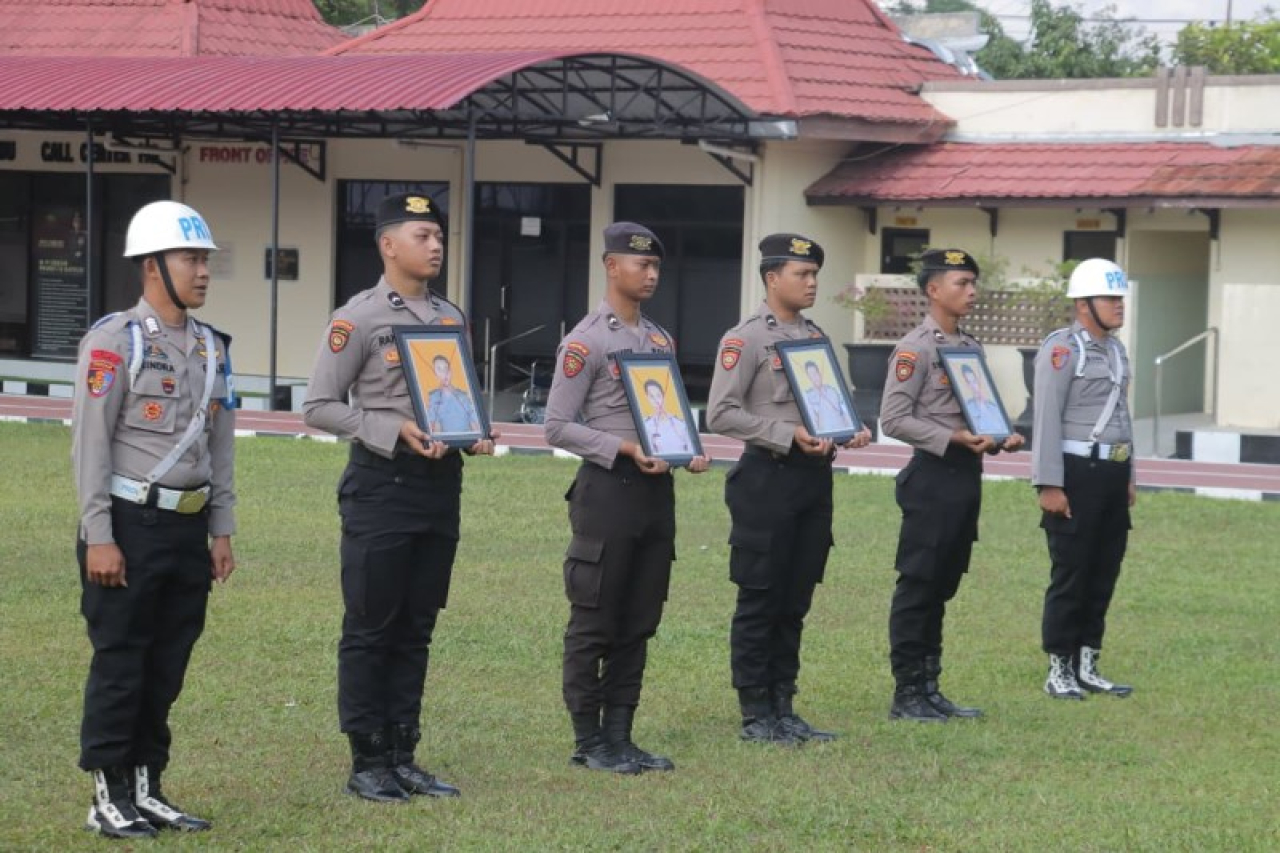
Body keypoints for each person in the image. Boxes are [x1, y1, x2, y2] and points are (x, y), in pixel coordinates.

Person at [303, 192, 495, 802]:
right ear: (388, 244)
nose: (435, 244)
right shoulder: (358, 318)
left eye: (438, 234)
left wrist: (473, 432)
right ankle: (366, 759)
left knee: (417, 626)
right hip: (382, 486)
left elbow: (453, 394)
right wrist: (390, 430)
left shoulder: (450, 317)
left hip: (440, 488)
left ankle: (403, 752)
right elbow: (319, 406)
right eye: (421, 234)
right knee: (371, 625)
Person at [71, 200, 236, 838]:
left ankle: (149, 786)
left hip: (185, 529)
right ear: (151, 266)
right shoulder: (115, 342)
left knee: (167, 665)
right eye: (191, 259)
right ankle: (107, 794)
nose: (202, 272)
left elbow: (219, 447)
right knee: (121, 662)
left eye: (204, 260)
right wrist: (99, 535)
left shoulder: (210, 348)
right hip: (128, 525)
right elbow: (90, 444)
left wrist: (220, 529)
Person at [545, 222, 710, 774]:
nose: (652, 274)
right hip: (607, 490)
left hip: (654, 492)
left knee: (639, 617)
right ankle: (588, 740)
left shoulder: (658, 341)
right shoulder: (586, 340)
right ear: (612, 267)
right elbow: (557, 426)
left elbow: (668, 414)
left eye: (657, 266)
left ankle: (621, 734)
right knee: (595, 618)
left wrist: (689, 448)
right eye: (642, 265)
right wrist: (618, 446)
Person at [708, 233, 872, 745]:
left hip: (811, 481)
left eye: (815, 273)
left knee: (795, 597)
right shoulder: (747, 338)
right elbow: (720, 413)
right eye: (802, 273)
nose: (812, 282)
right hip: (766, 479)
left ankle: (784, 703)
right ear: (772, 277)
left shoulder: (815, 336)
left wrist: (850, 429)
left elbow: (828, 403)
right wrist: (786, 435)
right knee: (761, 596)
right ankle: (756, 711)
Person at [880, 248, 1024, 723]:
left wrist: (999, 437)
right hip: (933, 476)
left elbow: (976, 410)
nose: (971, 292)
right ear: (933, 289)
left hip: (966, 475)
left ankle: (931, 686)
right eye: (961, 283)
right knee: (919, 584)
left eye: (973, 283)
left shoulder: (968, 346)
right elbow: (894, 419)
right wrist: (952, 437)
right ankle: (907, 692)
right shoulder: (915, 348)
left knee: (943, 584)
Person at [1031, 258, 1136, 701]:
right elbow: (1045, 420)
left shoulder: (1116, 351)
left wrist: (1130, 474)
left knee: (1103, 571)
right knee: (1071, 572)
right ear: (1084, 303)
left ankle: (1088, 663)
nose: (1119, 306)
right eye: (1110, 298)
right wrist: (1049, 484)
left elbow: (1123, 419)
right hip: (1077, 473)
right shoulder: (1062, 350)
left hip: (1112, 472)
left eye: (1120, 298)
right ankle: (1059, 667)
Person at [426, 355, 480, 434]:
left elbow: (474, 424)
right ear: (435, 374)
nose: (444, 373)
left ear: (451, 372)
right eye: (439, 369)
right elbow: (436, 430)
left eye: (446, 368)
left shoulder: (464, 396)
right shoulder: (433, 398)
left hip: (468, 441)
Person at [640, 378, 693, 456]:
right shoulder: (646, 426)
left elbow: (691, 451)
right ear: (648, 399)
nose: (657, 401)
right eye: (652, 397)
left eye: (658, 395)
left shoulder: (681, 424)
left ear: (663, 396)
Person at [802, 360, 853, 433]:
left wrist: (854, 431)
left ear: (819, 373)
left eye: (815, 373)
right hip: (825, 438)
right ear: (809, 378)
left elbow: (845, 414)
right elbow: (814, 423)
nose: (814, 377)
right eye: (811, 375)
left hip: (844, 433)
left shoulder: (833, 391)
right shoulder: (808, 397)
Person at [959, 363, 1008, 436]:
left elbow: (1003, 428)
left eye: (974, 381)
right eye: (969, 382)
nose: (974, 386)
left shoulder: (993, 406)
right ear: (966, 385)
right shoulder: (968, 408)